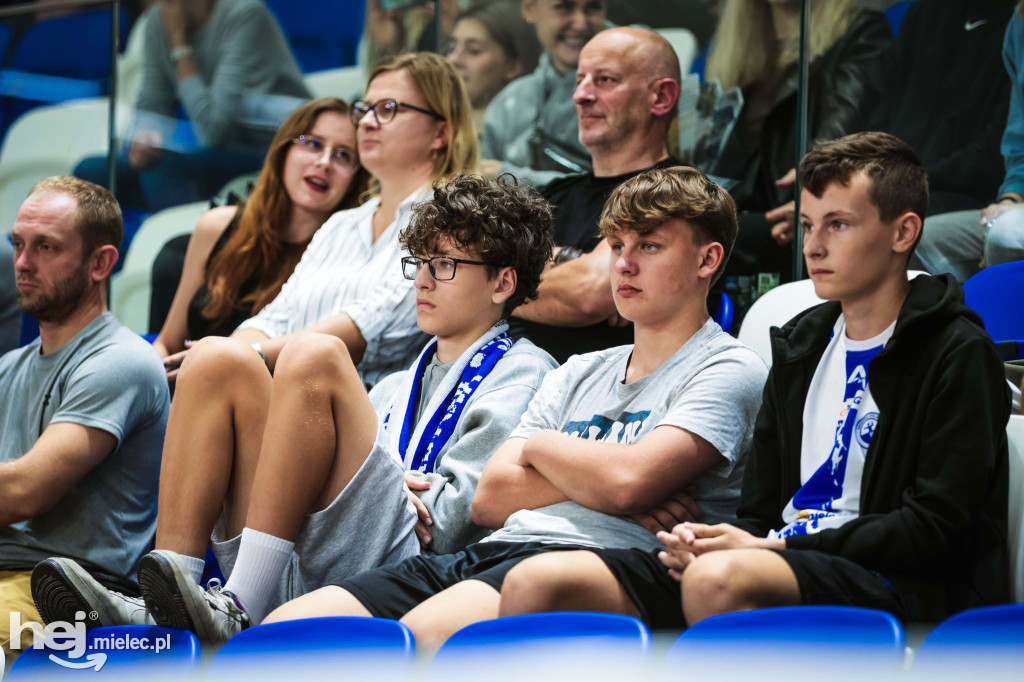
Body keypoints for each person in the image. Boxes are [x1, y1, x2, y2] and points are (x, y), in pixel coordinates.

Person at [502, 132, 1012, 629]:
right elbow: (760, 511)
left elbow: (937, 529)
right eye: (808, 225)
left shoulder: (957, 351)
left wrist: (774, 548)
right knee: (571, 578)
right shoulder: (799, 347)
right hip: (780, 557)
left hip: (899, 581)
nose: (813, 246)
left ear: (903, 233)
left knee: (715, 579)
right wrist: (708, 538)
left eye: (838, 225)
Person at [32, 174, 558, 646]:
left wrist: (398, 483)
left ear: (502, 283)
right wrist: (398, 480)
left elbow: (455, 524)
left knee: (316, 352)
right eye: (419, 262)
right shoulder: (398, 383)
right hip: (314, 557)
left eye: (443, 265)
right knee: (216, 357)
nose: (420, 280)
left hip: (412, 573)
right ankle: (172, 596)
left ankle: (239, 607)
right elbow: (379, 481)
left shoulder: (527, 371)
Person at [264, 166, 768, 652]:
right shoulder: (578, 370)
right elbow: (492, 495)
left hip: (604, 560)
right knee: (283, 630)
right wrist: (609, 470)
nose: (624, 264)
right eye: (616, 246)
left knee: (412, 641)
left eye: (649, 246)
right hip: (491, 550)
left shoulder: (728, 367)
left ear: (708, 260)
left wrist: (548, 450)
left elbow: (629, 482)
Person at [159, 51, 478, 388]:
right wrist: (228, 355)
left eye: (387, 109)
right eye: (365, 110)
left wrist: (237, 357)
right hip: (283, 390)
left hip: (365, 413)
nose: (367, 122)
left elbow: (367, 329)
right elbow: (276, 316)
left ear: (440, 133)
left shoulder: (450, 223)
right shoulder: (341, 224)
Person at [0, 177, 169, 659]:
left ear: (101, 263)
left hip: (66, 595)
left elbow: (24, 492)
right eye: (18, 244)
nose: (22, 263)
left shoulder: (122, 362)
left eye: (46, 247)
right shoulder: (8, 370)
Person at [508, 26, 684, 363]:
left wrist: (502, 281)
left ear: (661, 97)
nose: (581, 95)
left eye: (605, 80)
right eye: (580, 80)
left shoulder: (674, 192)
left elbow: (587, 293)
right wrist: (574, 260)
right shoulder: (550, 195)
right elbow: (465, 277)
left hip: (604, 403)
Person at [149, 97, 370, 361]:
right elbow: (168, 342)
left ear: (355, 179)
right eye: (313, 144)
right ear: (284, 149)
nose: (324, 162)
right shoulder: (216, 226)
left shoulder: (345, 260)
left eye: (343, 155)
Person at [705, 0, 890, 279]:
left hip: (797, 210)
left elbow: (843, 132)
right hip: (742, 212)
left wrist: (812, 186)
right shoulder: (739, 49)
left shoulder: (859, 31)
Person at [75, 0, 311, 213]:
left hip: (276, 146)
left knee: (165, 166)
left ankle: (184, 251)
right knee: (93, 171)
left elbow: (215, 130)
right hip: (213, 149)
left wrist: (180, 47)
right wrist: (143, 136)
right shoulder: (157, 23)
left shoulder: (246, 14)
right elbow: (152, 101)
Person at [913, 2, 1024, 281]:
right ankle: (971, 325)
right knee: (920, 239)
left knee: (1007, 233)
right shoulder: (1019, 23)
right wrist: (1012, 197)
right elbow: (1018, 138)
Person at [479, 0, 605, 186]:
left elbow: (620, 186)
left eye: (593, 8)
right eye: (564, 8)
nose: (580, 23)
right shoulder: (510, 102)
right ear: (529, 9)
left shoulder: (628, 93)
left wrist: (504, 175)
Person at [447, 0, 541, 136]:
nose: (453, 59)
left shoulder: (526, 141)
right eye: (452, 47)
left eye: (474, 50)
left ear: (512, 67)